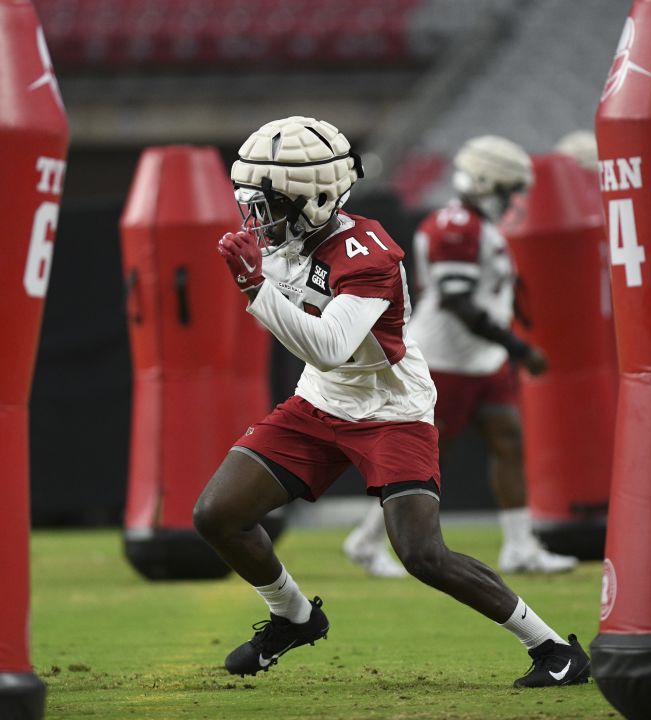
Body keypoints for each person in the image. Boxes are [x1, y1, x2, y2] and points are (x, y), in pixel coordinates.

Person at [195, 116, 590, 688]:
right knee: (218, 514)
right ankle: (293, 617)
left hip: (390, 409)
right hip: (321, 402)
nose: (258, 220)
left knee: (422, 553)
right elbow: (323, 362)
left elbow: (331, 346)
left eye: (269, 204)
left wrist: (256, 290)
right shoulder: (288, 242)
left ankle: (552, 646)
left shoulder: (368, 252)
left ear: (314, 198)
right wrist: (261, 286)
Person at [342, 135, 578, 576]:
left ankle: (520, 546)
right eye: (508, 192)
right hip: (443, 360)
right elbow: (457, 299)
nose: (512, 202)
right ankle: (367, 539)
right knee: (427, 457)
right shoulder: (456, 225)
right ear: (487, 183)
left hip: (479, 358)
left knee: (508, 440)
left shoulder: (479, 227)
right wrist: (519, 347)